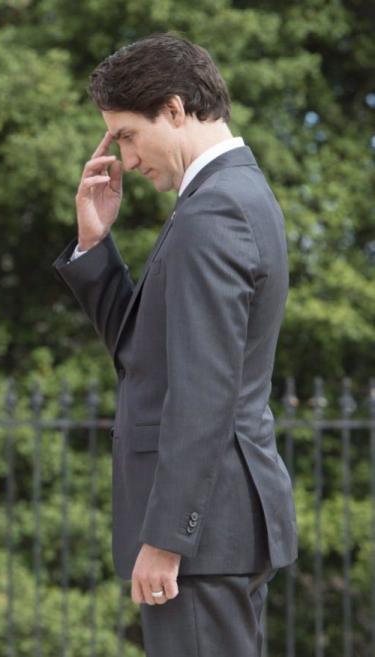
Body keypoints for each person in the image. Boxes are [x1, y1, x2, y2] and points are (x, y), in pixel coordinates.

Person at [54, 34, 297, 655]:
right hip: (218, 529)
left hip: (203, 535)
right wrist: (93, 244)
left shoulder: (212, 213)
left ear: (174, 109)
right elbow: (149, 360)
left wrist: (166, 539)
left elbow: (203, 393)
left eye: (128, 135)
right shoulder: (233, 198)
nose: (126, 159)